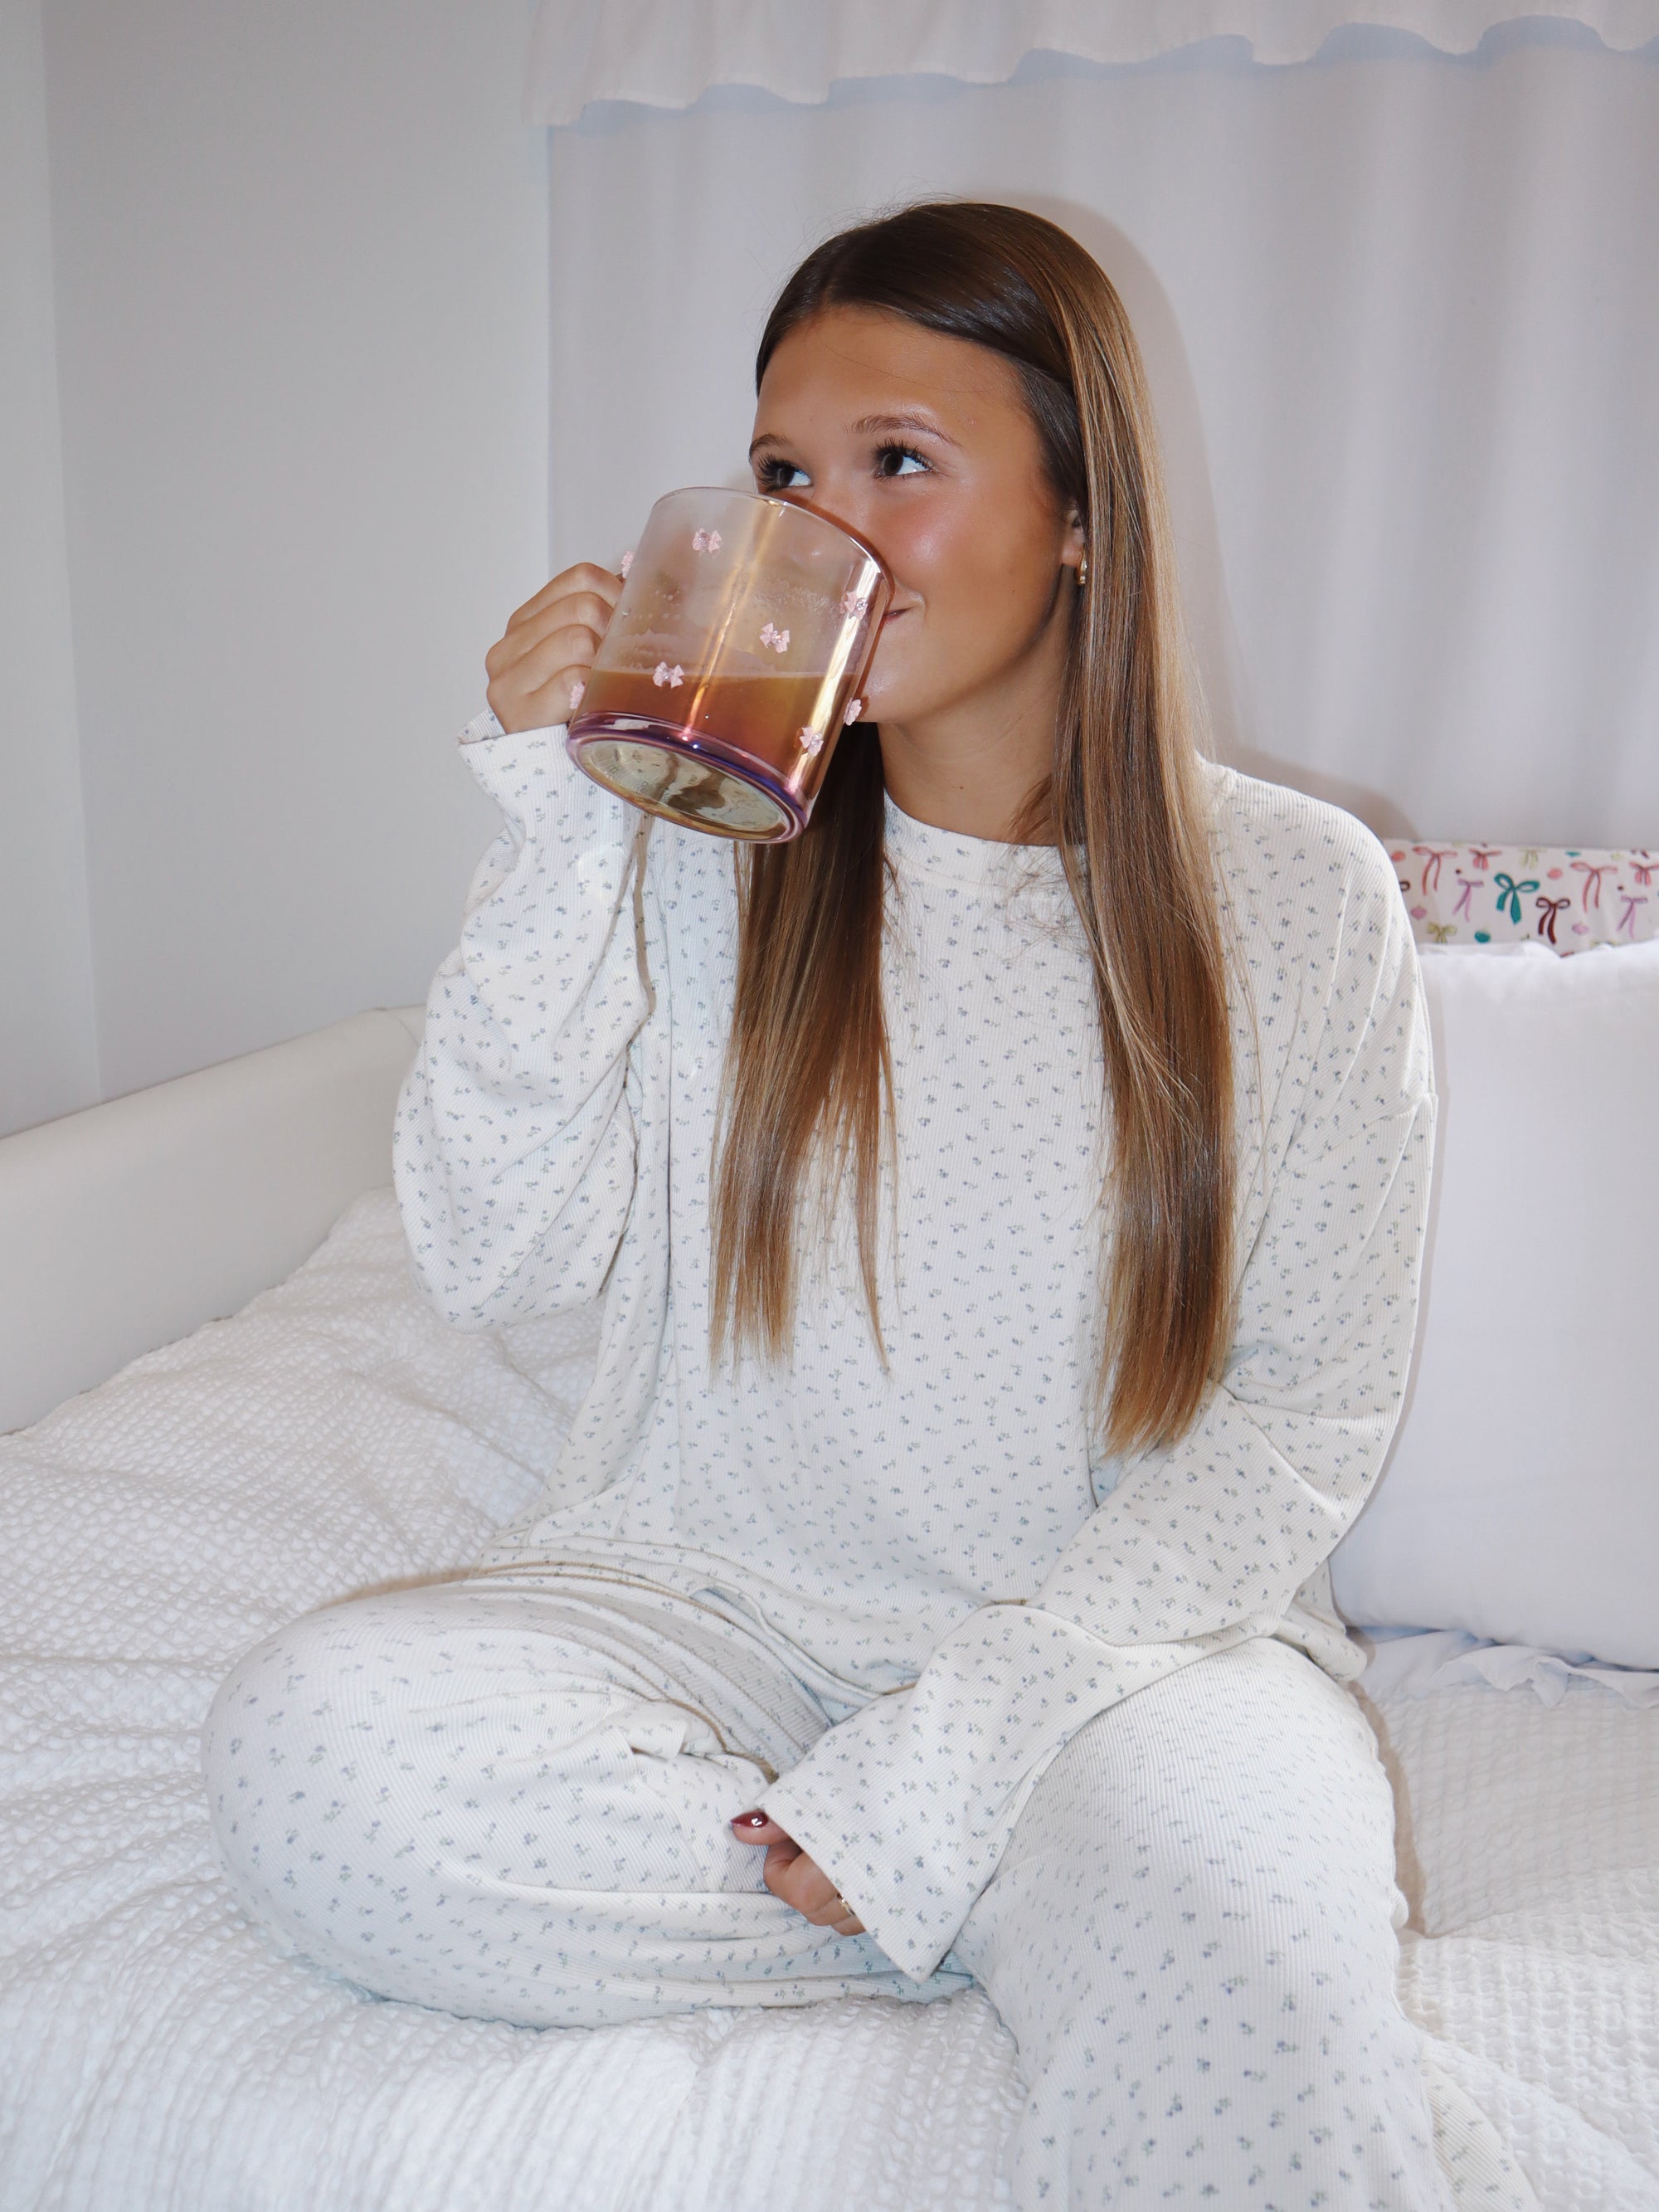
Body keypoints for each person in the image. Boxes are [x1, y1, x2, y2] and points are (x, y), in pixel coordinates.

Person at [202, 202, 1458, 2207]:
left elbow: (1297, 1416)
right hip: (703, 1605)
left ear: (1076, 516)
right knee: (317, 1762)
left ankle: (1018, 1885)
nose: (825, 534)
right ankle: (995, 1924)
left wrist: (953, 1762)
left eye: (901, 463)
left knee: (1255, 1939)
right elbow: (488, 1254)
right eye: (786, 474)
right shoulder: (692, 827)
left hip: (1121, 1663)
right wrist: (553, 817)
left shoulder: (1296, 896)